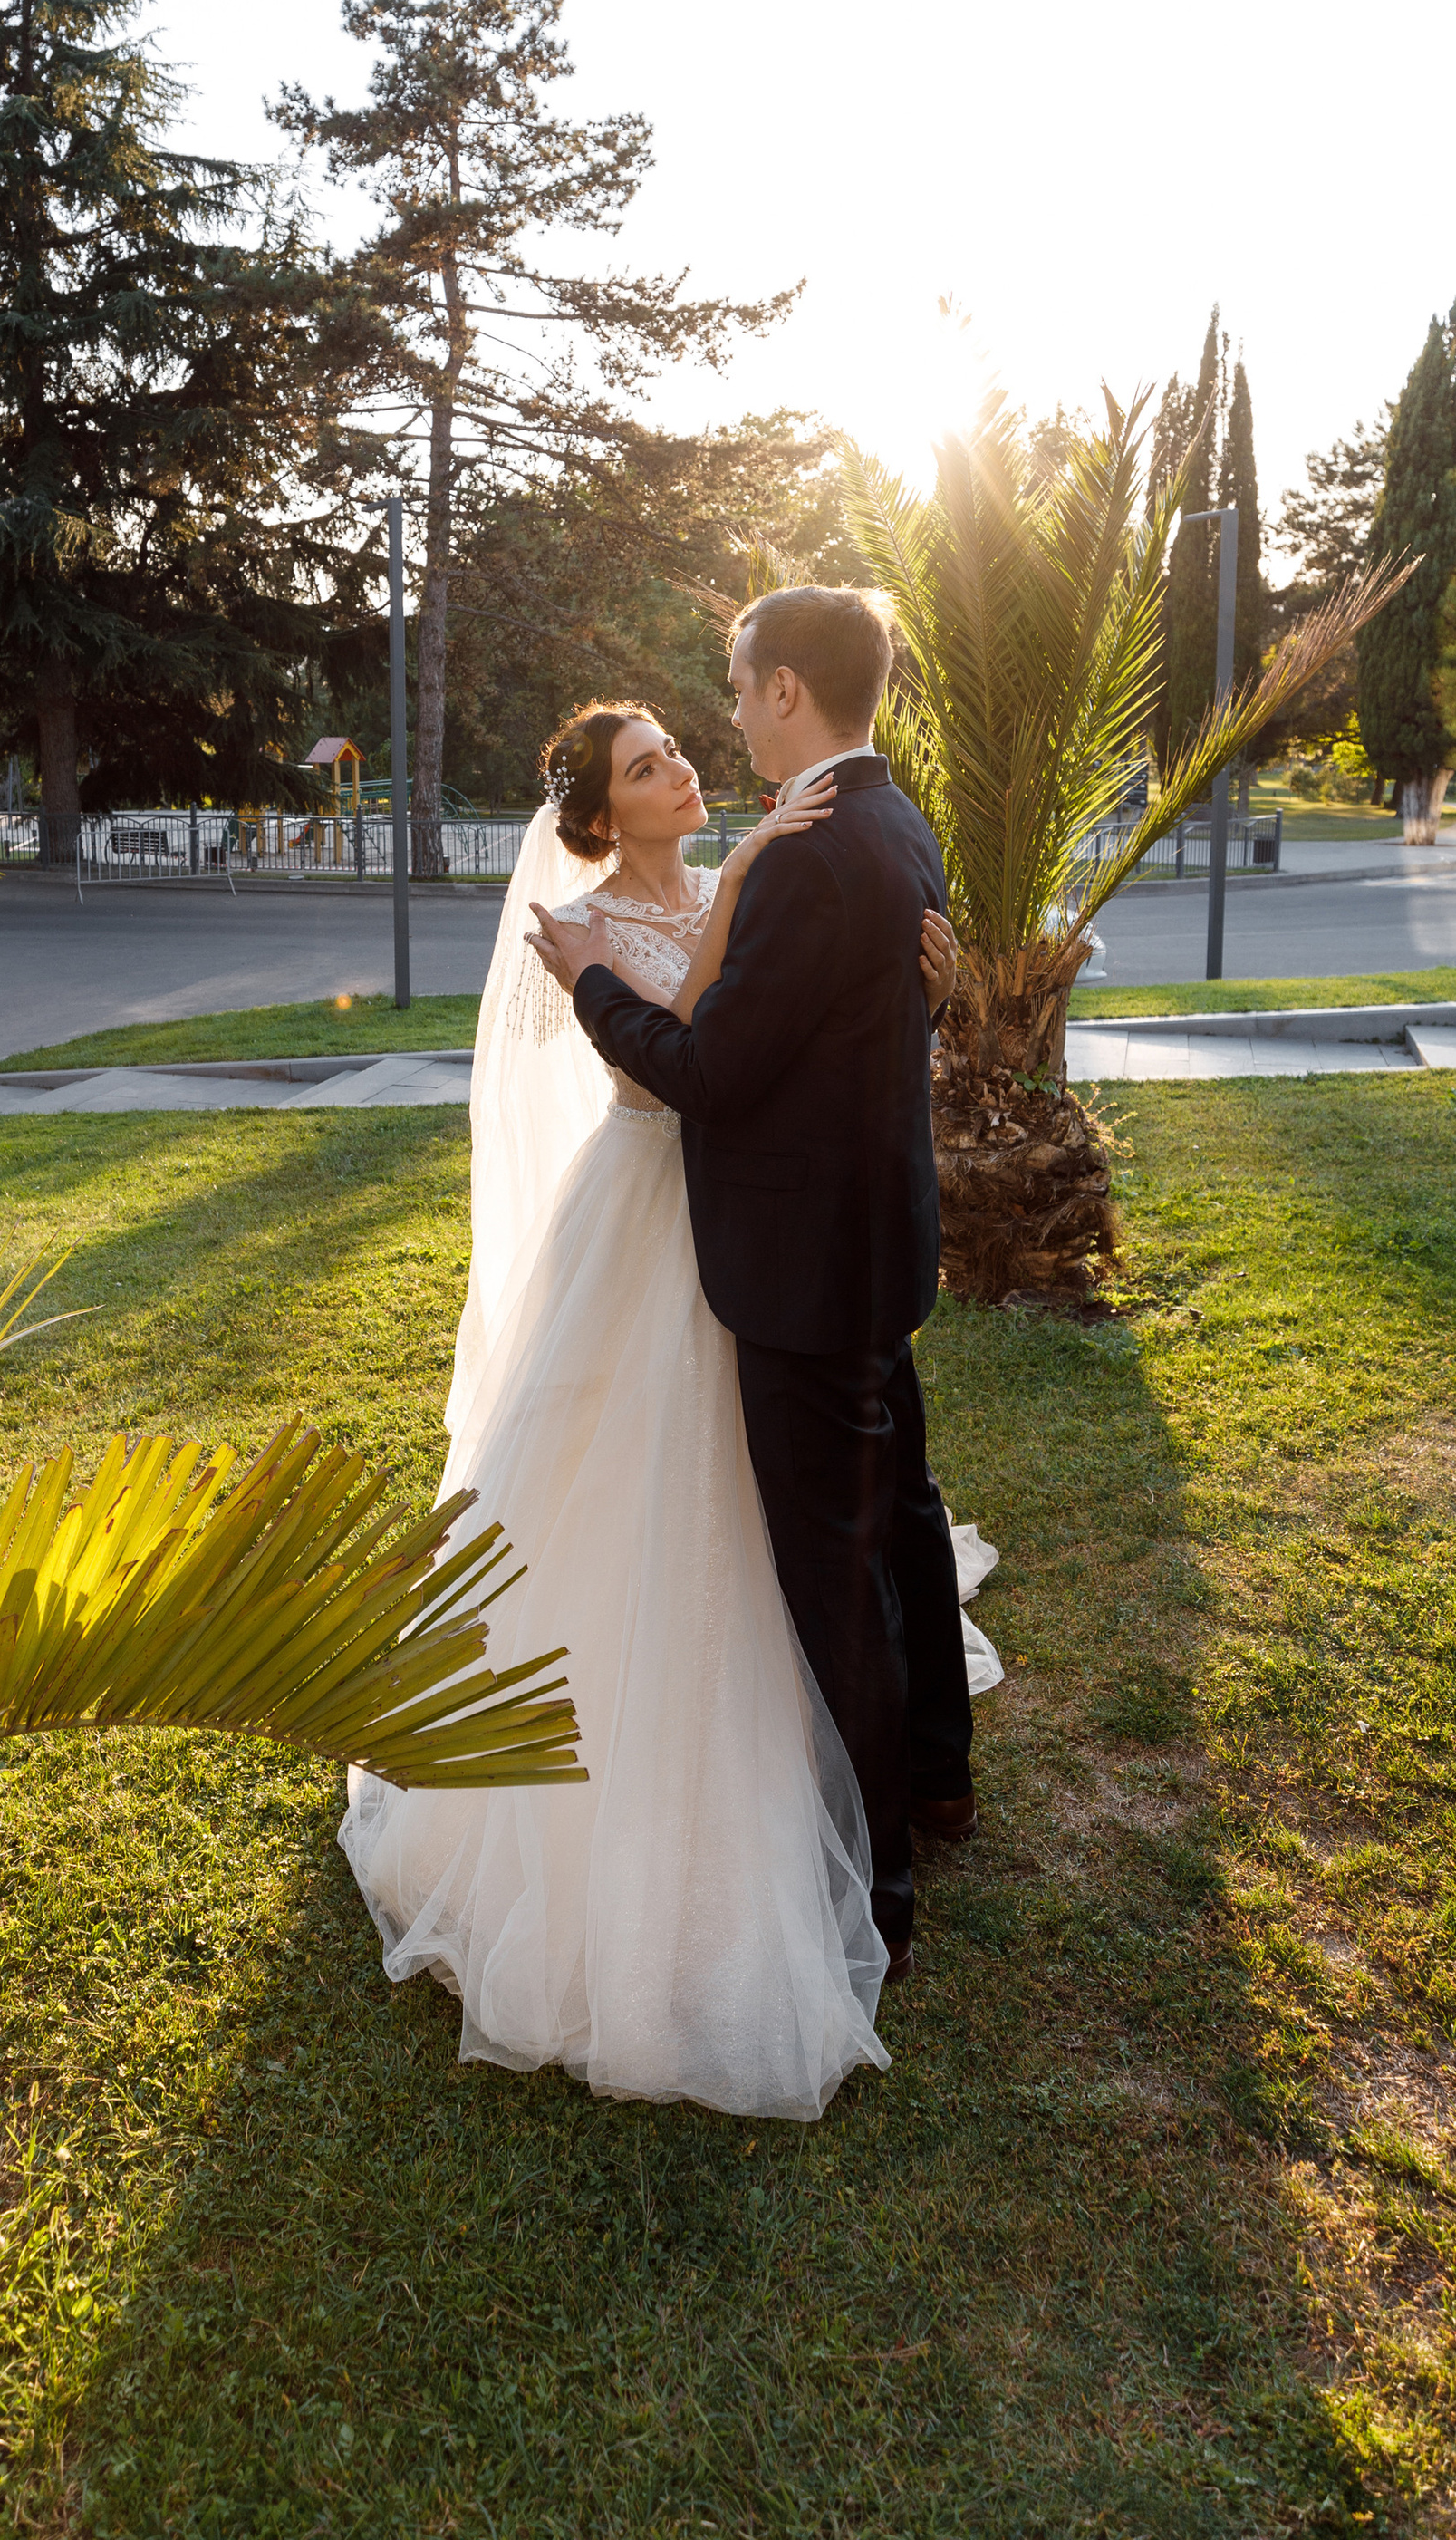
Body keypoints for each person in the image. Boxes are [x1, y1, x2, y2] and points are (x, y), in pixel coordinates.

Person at [336, 686, 998, 2119]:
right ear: (596, 819)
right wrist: (741, 881)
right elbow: (681, 1066)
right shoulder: (592, 927)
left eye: (680, 750)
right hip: (655, 1235)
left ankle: (876, 1761)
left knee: (809, 1511)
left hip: (770, 1239)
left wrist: (912, 977)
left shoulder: (746, 878)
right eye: (648, 768)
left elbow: (799, 1019)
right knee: (645, 1498)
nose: (684, 770)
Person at [527, 586, 972, 1980]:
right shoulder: (898, 822)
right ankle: (943, 1779)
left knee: (845, 1573)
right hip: (871, 1243)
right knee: (902, 1518)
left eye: (730, 689)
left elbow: (712, 1072)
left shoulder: (794, 858)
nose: (718, 724)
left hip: (797, 1266)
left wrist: (595, 983)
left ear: (787, 689)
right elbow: (853, 1017)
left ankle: (884, 1887)